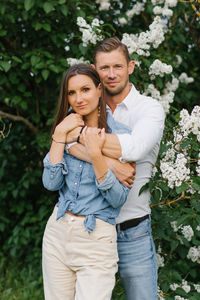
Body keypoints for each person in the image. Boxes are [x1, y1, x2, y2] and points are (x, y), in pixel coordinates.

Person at [66, 37, 165, 300]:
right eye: (104, 68)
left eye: (118, 67)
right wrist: (110, 163)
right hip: (90, 232)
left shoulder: (149, 109)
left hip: (132, 232)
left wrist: (76, 135)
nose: (111, 75)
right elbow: (61, 145)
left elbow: (133, 148)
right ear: (93, 69)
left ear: (131, 66)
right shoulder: (84, 104)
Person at [42, 64, 132, 300]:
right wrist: (59, 136)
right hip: (58, 233)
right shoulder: (65, 129)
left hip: (97, 239)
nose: (78, 98)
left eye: (85, 89)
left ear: (99, 89)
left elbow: (118, 199)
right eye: (72, 93)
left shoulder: (121, 137)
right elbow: (51, 183)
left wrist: (95, 155)